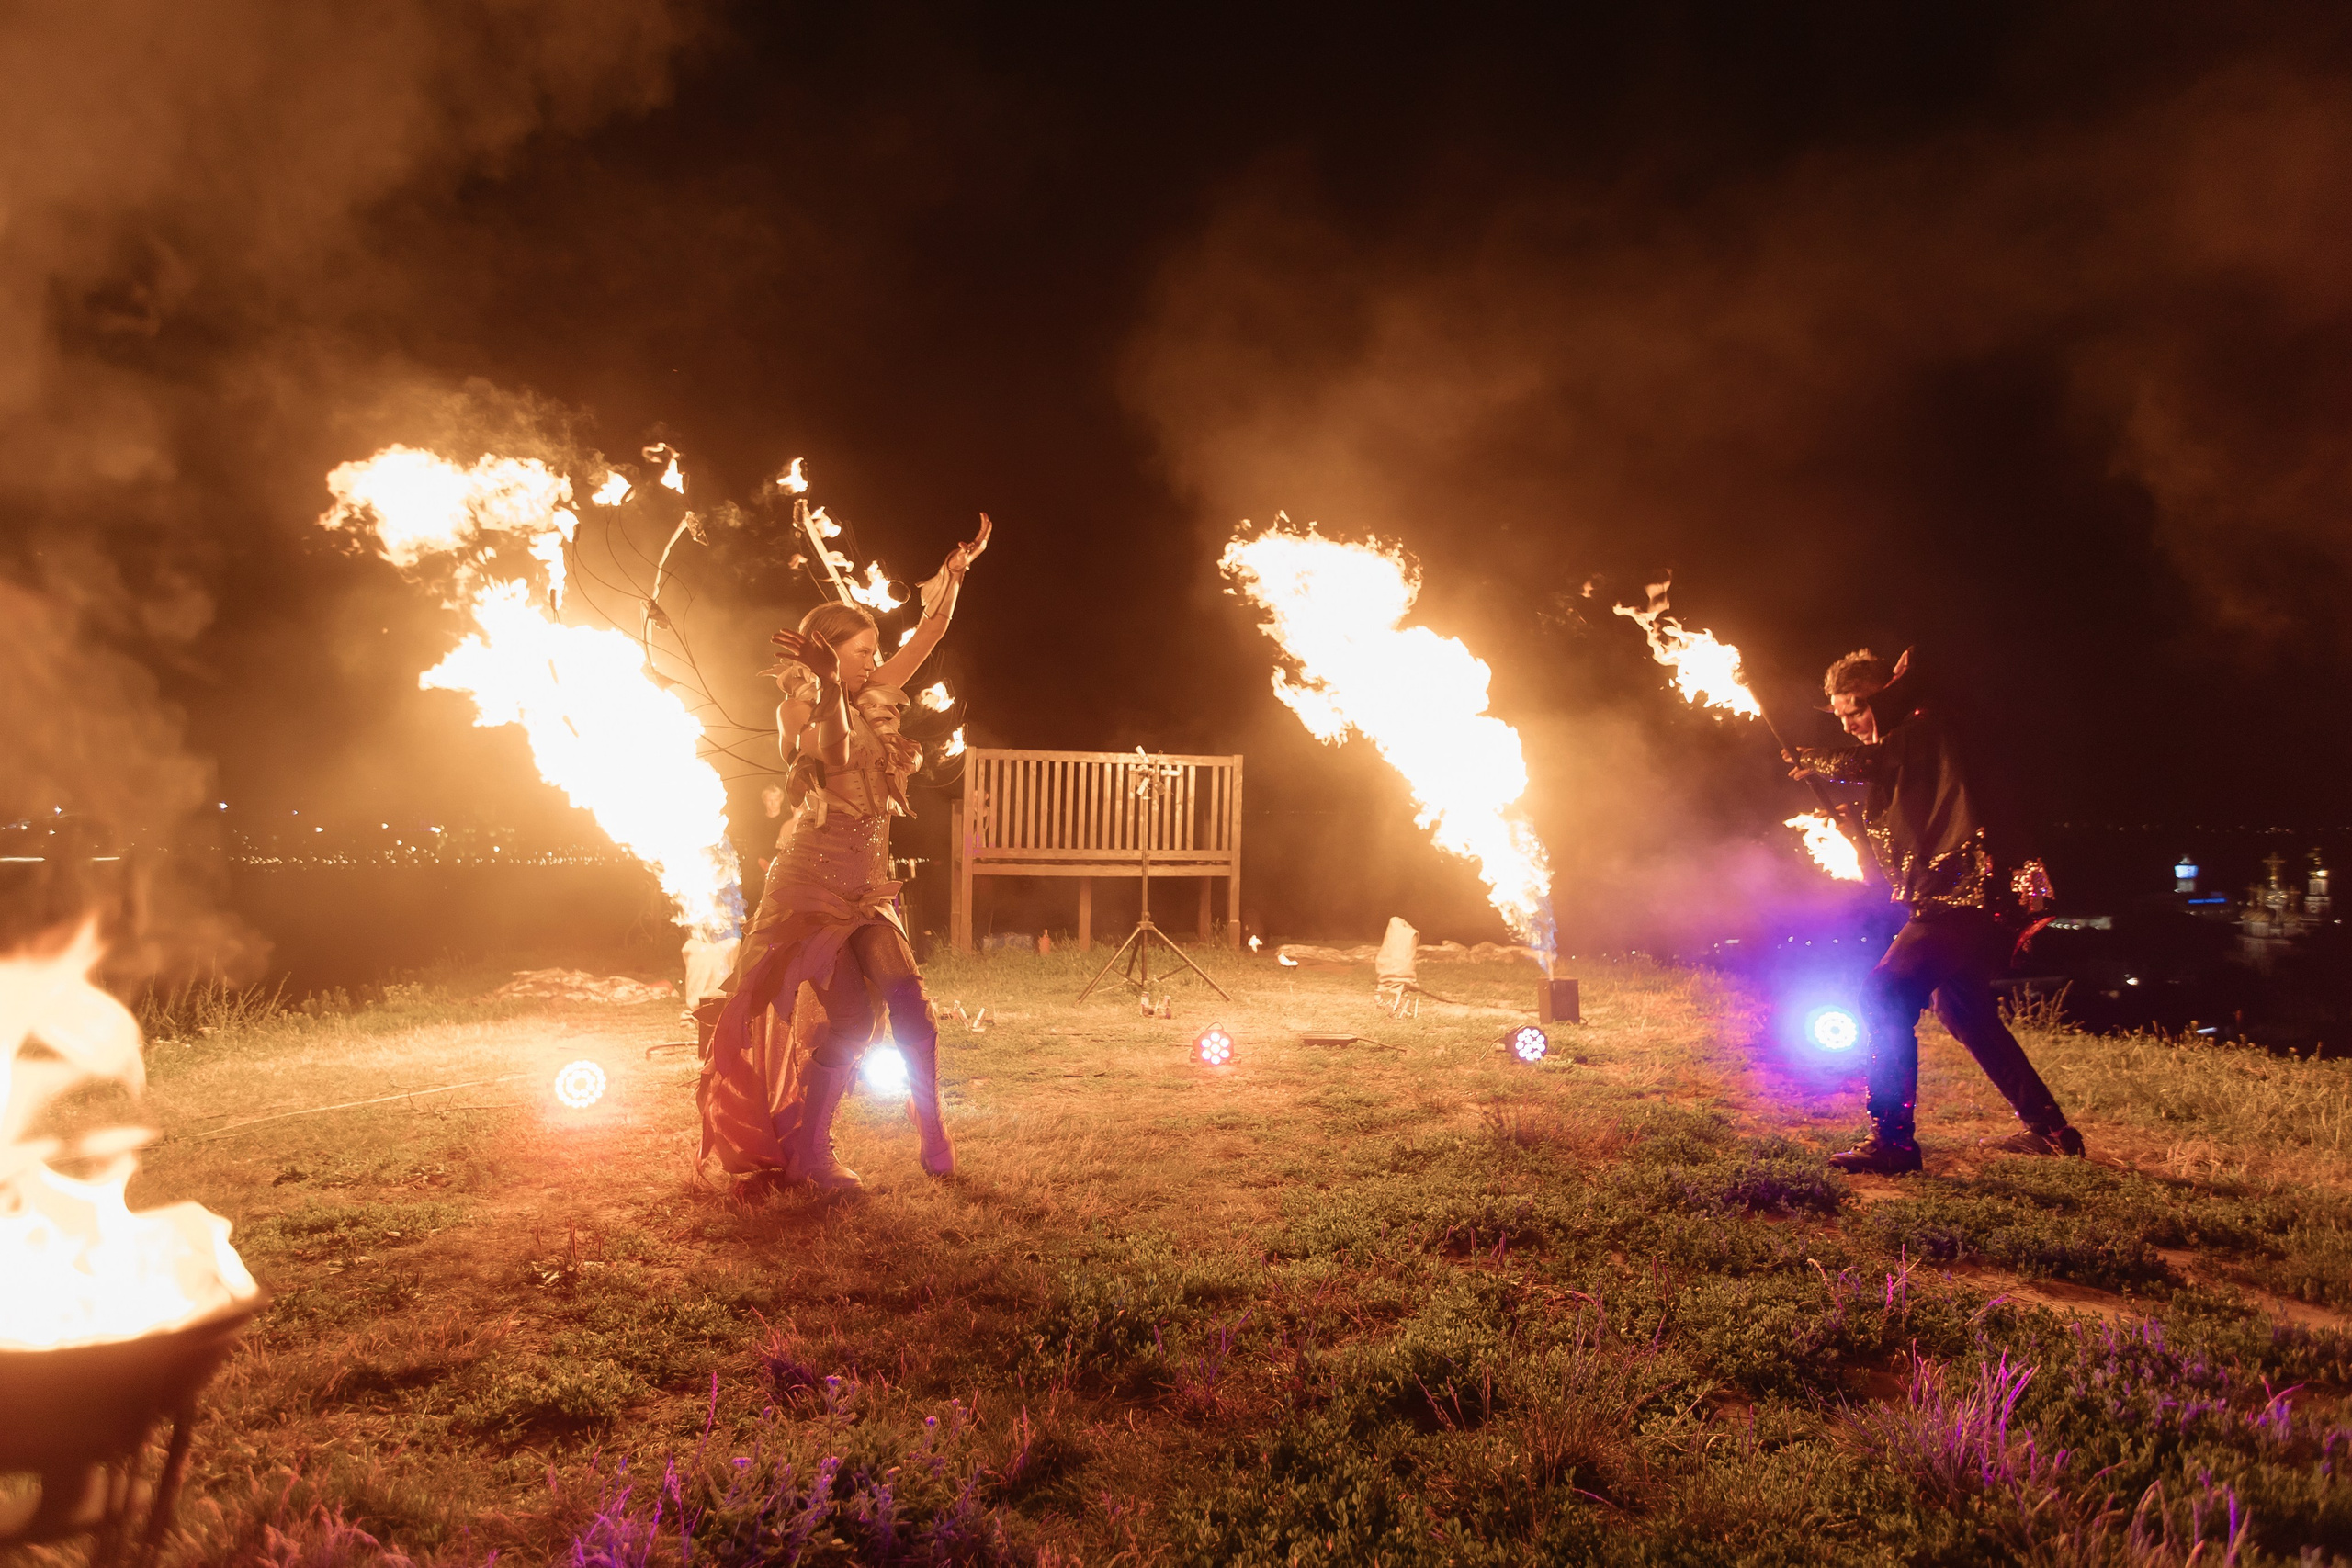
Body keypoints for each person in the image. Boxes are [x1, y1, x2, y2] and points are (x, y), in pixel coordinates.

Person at [697, 515, 992, 1191]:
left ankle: (933, 1131)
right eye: (862, 650)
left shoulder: (875, 692)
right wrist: (828, 686)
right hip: (811, 888)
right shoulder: (802, 708)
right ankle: (810, 1152)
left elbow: (931, 634)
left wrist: (956, 573)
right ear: (828, 655)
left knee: (910, 1000)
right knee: (853, 1024)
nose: (873, 658)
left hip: (866, 885)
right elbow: (828, 749)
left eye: (872, 651)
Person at [1786, 648, 2082, 1174]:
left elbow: (1878, 759)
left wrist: (1823, 760)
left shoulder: (1924, 725)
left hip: (1962, 898)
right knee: (1962, 1008)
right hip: (1959, 901)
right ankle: (2053, 1130)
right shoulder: (1904, 748)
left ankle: (1894, 1143)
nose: (1851, 726)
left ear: (1885, 697)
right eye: (1841, 717)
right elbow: (1897, 825)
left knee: (1885, 991)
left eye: (1856, 711)